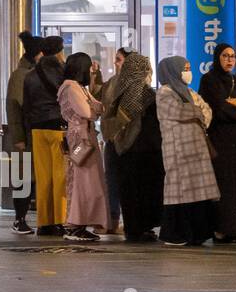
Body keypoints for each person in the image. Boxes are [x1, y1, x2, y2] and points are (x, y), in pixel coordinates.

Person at [156, 56, 219, 247]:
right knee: (178, 191)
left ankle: (197, 234)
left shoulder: (189, 91)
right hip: (177, 150)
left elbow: (207, 110)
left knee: (197, 192)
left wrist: (195, 111)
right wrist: (196, 111)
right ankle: (175, 234)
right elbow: (178, 111)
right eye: (185, 68)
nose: (188, 72)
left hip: (196, 148)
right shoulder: (164, 92)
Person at [197, 43, 236, 243]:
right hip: (219, 141)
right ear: (217, 58)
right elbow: (219, 109)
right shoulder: (209, 80)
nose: (230, 60)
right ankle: (220, 229)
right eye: (225, 56)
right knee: (222, 186)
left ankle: (235, 230)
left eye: (233, 56)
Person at [104, 52, 163, 241]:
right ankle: (141, 228)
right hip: (143, 149)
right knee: (143, 192)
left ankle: (133, 228)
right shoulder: (142, 91)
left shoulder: (118, 88)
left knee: (128, 192)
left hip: (124, 149)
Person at [57, 52, 110, 242]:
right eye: (89, 67)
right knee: (80, 181)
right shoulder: (70, 87)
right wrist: (95, 110)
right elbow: (88, 111)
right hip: (79, 138)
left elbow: (98, 107)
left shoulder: (80, 87)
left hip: (86, 136)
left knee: (90, 182)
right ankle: (73, 225)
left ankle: (81, 223)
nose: (91, 70)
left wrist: (95, 109)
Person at [22, 35, 68, 235]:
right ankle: (59, 221)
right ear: (59, 51)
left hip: (37, 129)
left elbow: (26, 106)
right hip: (58, 128)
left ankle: (43, 222)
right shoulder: (63, 72)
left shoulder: (31, 74)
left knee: (43, 177)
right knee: (60, 177)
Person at [5, 31, 41, 234]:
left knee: (33, 178)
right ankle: (20, 219)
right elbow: (15, 107)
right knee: (25, 179)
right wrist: (18, 138)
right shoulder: (21, 75)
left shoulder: (35, 73)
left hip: (35, 135)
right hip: (25, 138)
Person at [97, 47, 131, 233]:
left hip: (127, 139)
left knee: (127, 180)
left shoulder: (135, 83)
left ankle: (127, 218)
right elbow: (101, 102)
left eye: (119, 59)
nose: (115, 63)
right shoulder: (111, 83)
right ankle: (112, 219)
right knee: (111, 179)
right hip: (111, 137)